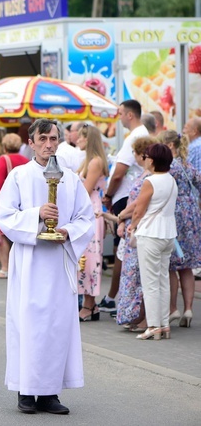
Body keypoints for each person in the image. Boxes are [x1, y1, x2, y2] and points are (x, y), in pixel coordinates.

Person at [0, 119, 95, 415]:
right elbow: (4, 215)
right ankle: (26, 391)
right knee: (29, 326)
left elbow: (85, 217)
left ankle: (50, 392)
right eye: (43, 139)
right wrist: (37, 214)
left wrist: (67, 232)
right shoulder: (19, 176)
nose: (49, 144)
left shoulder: (71, 177)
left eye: (53, 138)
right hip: (30, 260)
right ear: (32, 141)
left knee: (56, 326)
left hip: (58, 259)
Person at [99, 100, 148, 313]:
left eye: (120, 113)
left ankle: (114, 298)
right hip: (128, 196)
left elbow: (119, 172)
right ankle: (121, 298)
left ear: (129, 115)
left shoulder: (134, 137)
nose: (118, 118)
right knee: (124, 248)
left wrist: (108, 195)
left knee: (122, 249)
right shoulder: (139, 134)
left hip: (125, 197)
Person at [126, 143, 177, 340]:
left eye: (146, 156)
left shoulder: (151, 181)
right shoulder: (172, 180)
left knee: (150, 283)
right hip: (168, 234)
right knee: (163, 279)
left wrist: (133, 224)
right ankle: (164, 324)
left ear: (153, 160)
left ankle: (154, 325)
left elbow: (139, 209)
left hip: (151, 233)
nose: (144, 159)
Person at [157, 130, 200, 328]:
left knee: (171, 265)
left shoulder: (169, 168)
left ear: (170, 146)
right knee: (187, 266)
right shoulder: (188, 166)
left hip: (174, 216)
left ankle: (173, 307)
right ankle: (189, 308)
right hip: (191, 217)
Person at [113, 136, 157, 329]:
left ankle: (141, 316)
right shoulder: (143, 174)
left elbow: (139, 204)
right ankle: (134, 315)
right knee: (132, 273)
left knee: (139, 274)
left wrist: (122, 215)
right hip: (133, 227)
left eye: (136, 152)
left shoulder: (148, 177)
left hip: (138, 227)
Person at [74, 125, 109, 321]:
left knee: (90, 257)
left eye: (81, 137)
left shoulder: (94, 162)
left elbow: (86, 190)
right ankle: (90, 303)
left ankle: (89, 302)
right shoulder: (89, 161)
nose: (77, 139)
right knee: (84, 256)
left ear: (89, 139)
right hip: (88, 208)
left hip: (90, 210)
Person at [0, 134, 28, 279]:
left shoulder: (4, 159)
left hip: (6, 200)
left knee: (2, 234)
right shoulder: (25, 160)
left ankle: (5, 267)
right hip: (22, 201)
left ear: (4, 146)